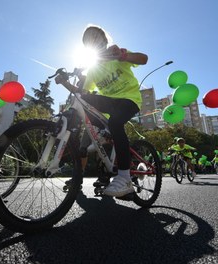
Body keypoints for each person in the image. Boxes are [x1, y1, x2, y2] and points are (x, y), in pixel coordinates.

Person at [55, 24, 148, 197]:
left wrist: (123, 55)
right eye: (87, 40)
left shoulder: (116, 53)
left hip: (129, 99)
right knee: (84, 99)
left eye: (95, 37)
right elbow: (80, 92)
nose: (92, 41)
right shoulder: (93, 69)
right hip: (110, 104)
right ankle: (100, 135)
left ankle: (125, 178)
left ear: (105, 40)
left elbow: (143, 59)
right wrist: (64, 83)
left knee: (114, 122)